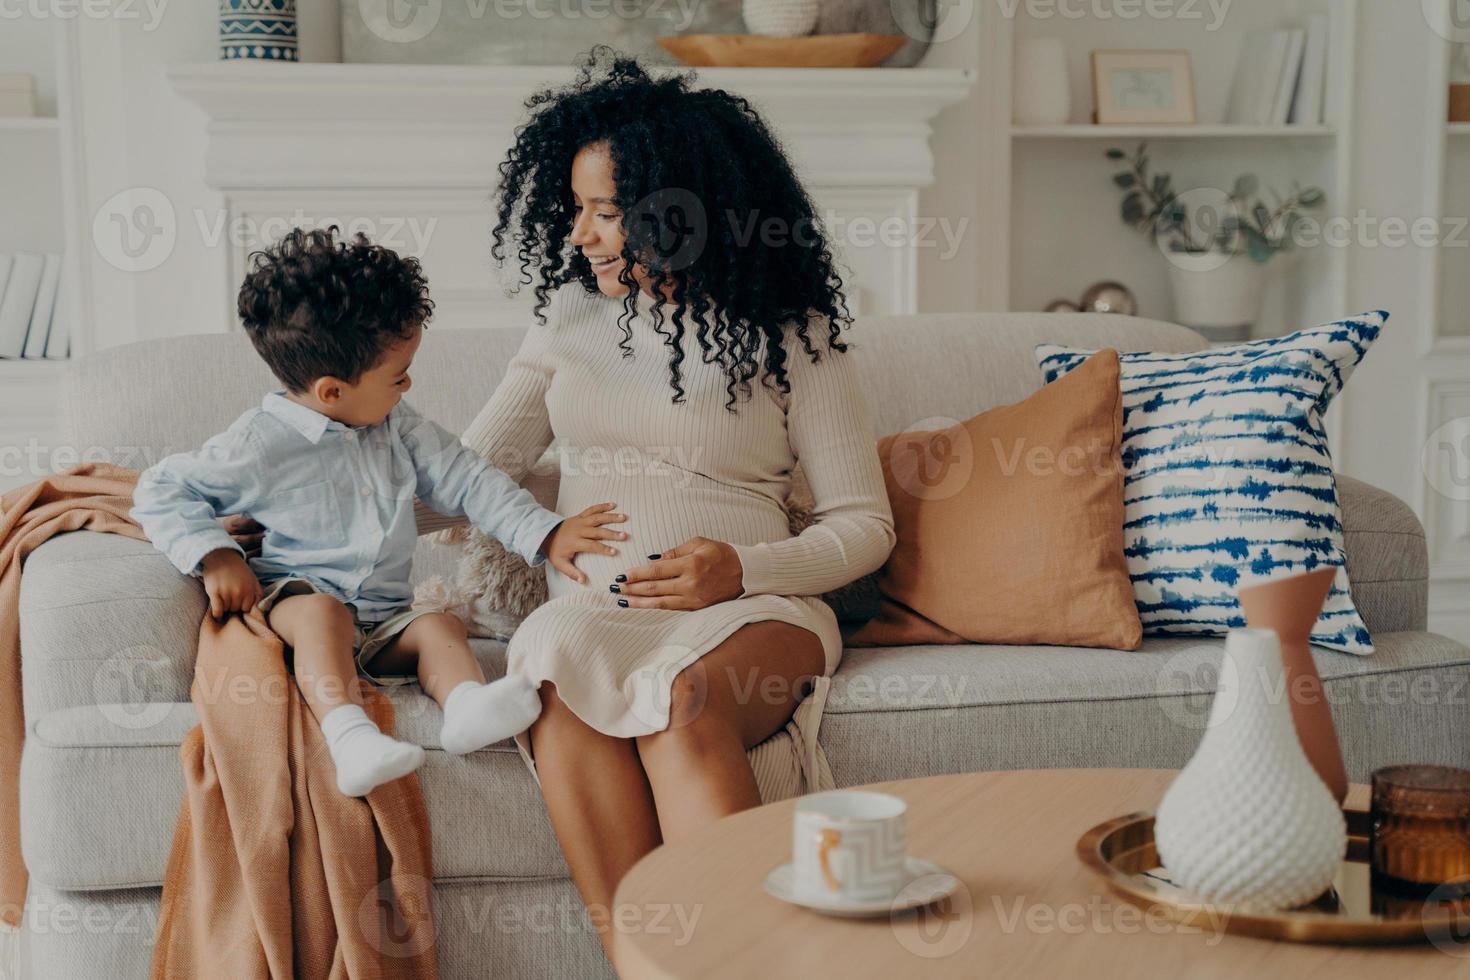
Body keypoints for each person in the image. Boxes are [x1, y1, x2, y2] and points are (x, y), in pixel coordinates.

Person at [416, 48, 896, 959]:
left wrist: (740, 569)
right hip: (598, 612)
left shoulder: (796, 336)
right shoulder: (566, 324)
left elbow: (864, 526)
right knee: (552, 658)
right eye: (578, 211)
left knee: (680, 694)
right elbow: (461, 482)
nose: (581, 236)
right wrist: (257, 510)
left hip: (757, 610)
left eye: (605, 213)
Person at [131, 227, 627, 797]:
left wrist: (545, 532)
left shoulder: (398, 424)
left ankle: (465, 708)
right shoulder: (259, 444)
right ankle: (350, 737)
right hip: (298, 603)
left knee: (438, 624)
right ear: (332, 391)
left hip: (383, 617)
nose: (408, 384)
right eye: (397, 376)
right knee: (321, 616)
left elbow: (468, 478)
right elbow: (160, 489)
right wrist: (216, 554)